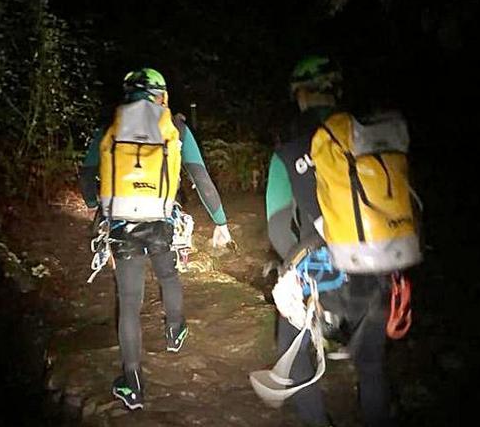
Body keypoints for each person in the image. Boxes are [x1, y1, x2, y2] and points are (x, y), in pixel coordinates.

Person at [79, 67, 233, 410]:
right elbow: (200, 178)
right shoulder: (176, 127)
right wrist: (221, 221)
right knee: (168, 275)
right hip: (161, 219)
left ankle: (132, 384)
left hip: (121, 223)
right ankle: (175, 332)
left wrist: (97, 206)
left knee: (129, 302)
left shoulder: (110, 126)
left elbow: (88, 176)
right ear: (161, 95)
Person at [264, 56, 396, 426]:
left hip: (322, 277)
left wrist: (291, 268)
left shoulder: (288, 151)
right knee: (371, 366)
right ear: (336, 91)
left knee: (292, 345)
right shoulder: (371, 140)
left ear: (299, 96)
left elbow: (277, 228)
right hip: (379, 265)